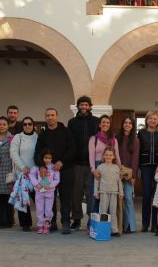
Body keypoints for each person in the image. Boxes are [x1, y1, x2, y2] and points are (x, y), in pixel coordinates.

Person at [35, 108, 76, 234]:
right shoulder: (43, 134)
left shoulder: (66, 131)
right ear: (45, 117)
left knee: (65, 197)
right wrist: (41, 165)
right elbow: (37, 153)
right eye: (47, 115)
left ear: (57, 116)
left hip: (65, 169)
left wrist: (62, 161)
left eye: (52, 115)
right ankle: (51, 223)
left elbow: (72, 149)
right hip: (48, 172)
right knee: (49, 197)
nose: (50, 117)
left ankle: (65, 223)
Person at [68, 96, 100, 232]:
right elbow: (69, 141)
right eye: (81, 104)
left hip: (92, 164)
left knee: (91, 193)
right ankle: (76, 220)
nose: (83, 107)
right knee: (76, 193)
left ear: (90, 106)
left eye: (86, 105)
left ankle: (91, 220)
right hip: (76, 163)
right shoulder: (72, 122)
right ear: (78, 106)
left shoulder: (96, 122)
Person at [138, 110, 158, 233]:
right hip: (145, 167)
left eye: (155, 119)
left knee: (156, 195)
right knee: (147, 195)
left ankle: (155, 224)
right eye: (150, 118)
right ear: (147, 120)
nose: (152, 120)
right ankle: (145, 224)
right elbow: (138, 150)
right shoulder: (141, 133)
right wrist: (138, 167)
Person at [89, 115, 121, 214]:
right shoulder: (93, 139)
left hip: (111, 168)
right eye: (103, 122)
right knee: (95, 196)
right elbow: (91, 156)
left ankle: (108, 224)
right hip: (97, 167)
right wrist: (93, 170)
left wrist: (120, 169)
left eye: (107, 122)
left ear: (110, 125)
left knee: (109, 197)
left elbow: (117, 155)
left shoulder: (113, 140)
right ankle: (93, 224)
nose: (105, 124)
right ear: (99, 124)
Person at [10, 116, 38, 232]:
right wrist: (22, 167)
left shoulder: (37, 137)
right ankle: (25, 224)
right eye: (25, 124)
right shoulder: (18, 137)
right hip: (22, 173)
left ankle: (43, 222)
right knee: (23, 199)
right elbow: (13, 153)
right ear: (22, 126)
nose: (27, 126)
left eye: (30, 124)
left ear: (33, 125)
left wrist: (35, 169)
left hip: (35, 174)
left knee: (39, 198)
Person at [94, 146, 124, 236]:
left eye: (110, 155)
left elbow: (119, 181)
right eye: (106, 155)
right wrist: (96, 192)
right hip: (103, 192)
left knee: (113, 211)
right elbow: (97, 180)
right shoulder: (100, 167)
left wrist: (121, 192)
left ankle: (114, 230)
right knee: (103, 211)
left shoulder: (116, 168)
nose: (108, 157)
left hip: (114, 192)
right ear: (103, 156)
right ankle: (102, 229)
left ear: (114, 156)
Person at [29, 148, 60, 234]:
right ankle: (40, 226)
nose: (47, 160)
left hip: (49, 193)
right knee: (39, 210)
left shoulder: (54, 168)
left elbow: (57, 179)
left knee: (48, 210)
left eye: (49, 158)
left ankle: (47, 226)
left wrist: (50, 185)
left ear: (52, 158)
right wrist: (36, 184)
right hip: (39, 192)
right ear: (42, 158)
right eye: (45, 157)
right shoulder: (37, 167)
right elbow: (31, 175)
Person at [0, 116, 15, 228]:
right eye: (0, 124)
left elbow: (14, 155)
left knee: (6, 196)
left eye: (4, 124)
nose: (1, 126)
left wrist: (13, 170)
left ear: (7, 126)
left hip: (7, 169)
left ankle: (7, 220)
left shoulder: (12, 138)